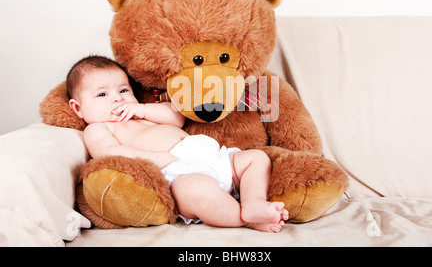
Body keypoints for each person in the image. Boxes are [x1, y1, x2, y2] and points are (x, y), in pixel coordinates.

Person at [67, 55, 289, 232]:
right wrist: (152, 159)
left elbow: (177, 116)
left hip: (216, 158)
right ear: (78, 108)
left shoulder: (141, 114)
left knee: (256, 158)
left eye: (123, 90)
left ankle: (253, 202)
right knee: (197, 191)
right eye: (102, 94)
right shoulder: (99, 128)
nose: (117, 98)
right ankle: (244, 219)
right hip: (178, 174)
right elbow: (109, 152)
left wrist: (142, 109)